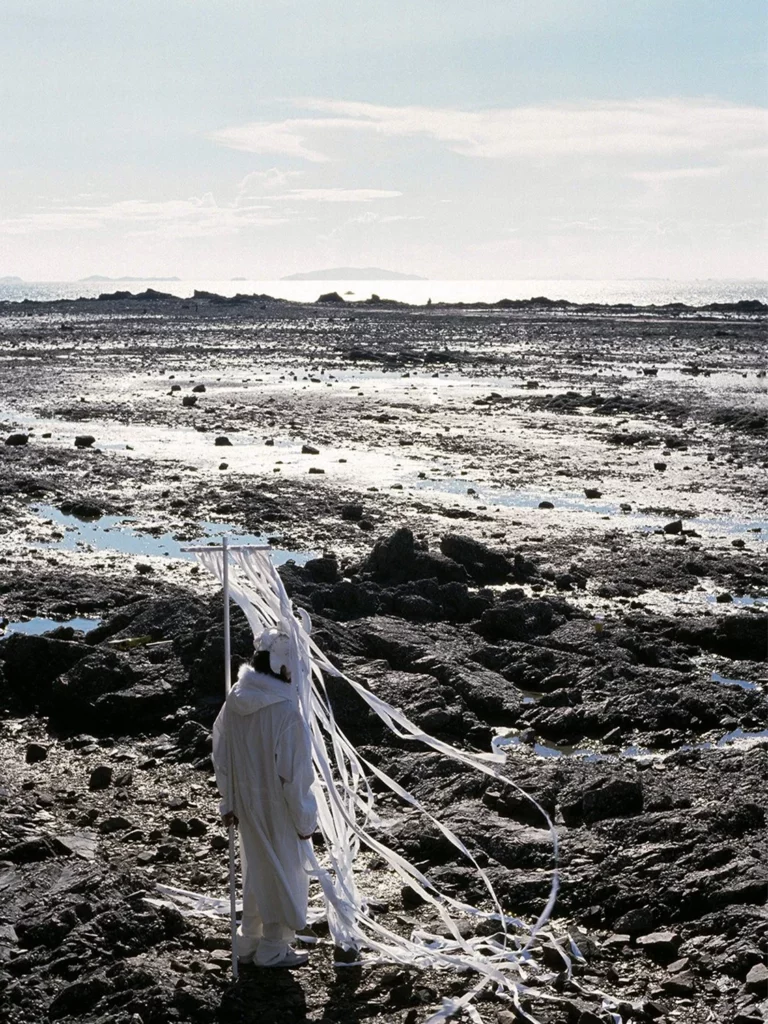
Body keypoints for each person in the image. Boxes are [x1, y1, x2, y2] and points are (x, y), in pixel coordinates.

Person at [212, 626, 317, 968]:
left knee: (257, 867)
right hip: (278, 806)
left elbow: (221, 753)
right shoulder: (286, 714)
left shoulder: (234, 702)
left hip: (246, 802)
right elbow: (294, 777)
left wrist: (229, 801)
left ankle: (248, 940)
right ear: (282, 667)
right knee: (283, 872)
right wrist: (304, 820)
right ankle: (273, 946)